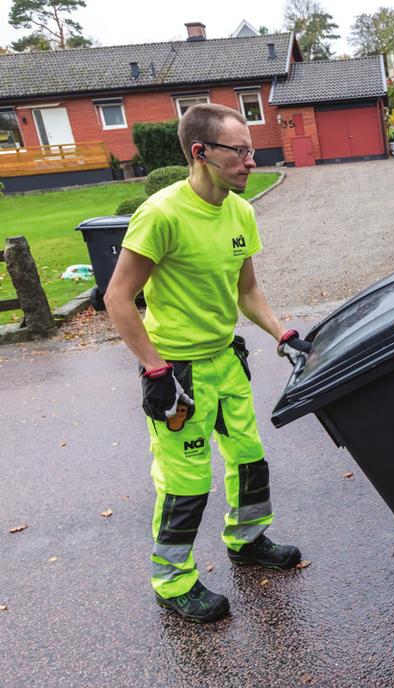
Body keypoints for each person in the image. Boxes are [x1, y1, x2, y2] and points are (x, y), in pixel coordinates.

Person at [105, 103, 311, 623]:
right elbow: (117, 298)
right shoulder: (161, 215)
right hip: (178, 374)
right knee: (186, 481)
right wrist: (154, 369)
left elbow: (248, 290)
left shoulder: (240, 211)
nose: (250, 161)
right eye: (239, 151)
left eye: (251, 150)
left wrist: (281, 332)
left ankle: (247, 540)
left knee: (248, 457)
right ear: (201, 152)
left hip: (225, 361)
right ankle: (173, 582)